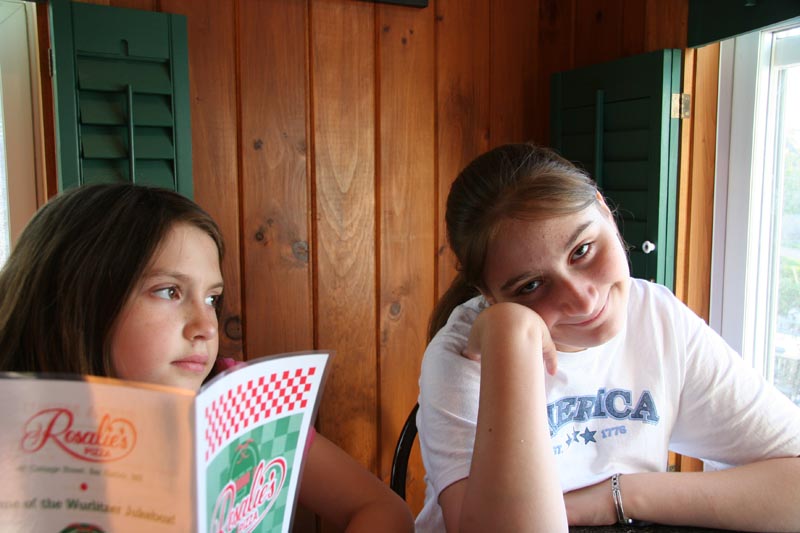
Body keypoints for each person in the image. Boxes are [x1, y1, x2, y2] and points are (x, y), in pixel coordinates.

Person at [415, 143, 800, 533]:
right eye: (530, 286)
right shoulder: (461, 361)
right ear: (487, 293)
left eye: (582, 250)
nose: (582, 299)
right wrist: (511, 335)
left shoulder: (656, 316)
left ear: (604, 210)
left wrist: (619, 495)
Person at [0, 182, 414, 532]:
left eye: (212, 298)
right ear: (81, 300)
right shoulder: (21, 432)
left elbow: (384, 510)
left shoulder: (242, 404)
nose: (207, 325)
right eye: (169, 291)